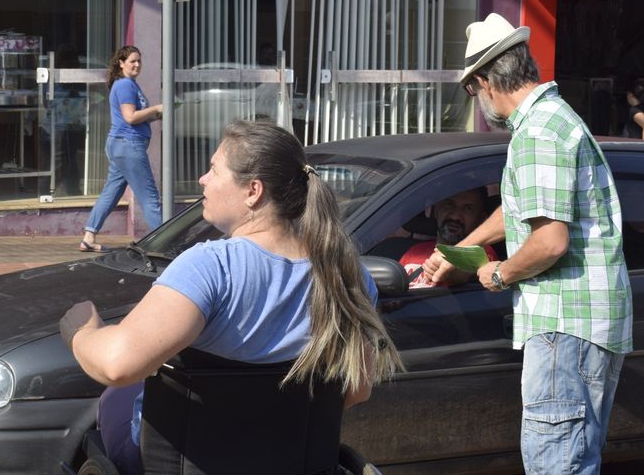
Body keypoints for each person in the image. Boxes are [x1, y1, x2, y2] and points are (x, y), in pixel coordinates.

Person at [60, 120, 401, 471]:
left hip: (184, 464)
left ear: (253, 191)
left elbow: (117, 365)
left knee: (119, 394)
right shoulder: (350, 276)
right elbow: (357, 391)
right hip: (290, 463)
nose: (202, 179)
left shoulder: (211, 267)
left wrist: (82, 330)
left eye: (213, 169)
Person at [427, 13, 632, 475]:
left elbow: (550, 241)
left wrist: (499, 274)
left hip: (564, 325)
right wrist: (455, 250)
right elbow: (527, 207)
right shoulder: (554, 119)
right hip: (584, 322)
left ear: (484, 82)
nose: (477, 99)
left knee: (556, 463)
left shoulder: (536, 133)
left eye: (472, 89)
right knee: (575, 458)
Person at [80, 45, 164, 253]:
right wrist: (156, 108)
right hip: (129, 146)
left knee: (111, 192)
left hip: (122, 144)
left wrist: (154, 116)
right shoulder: (126, 85)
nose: (137, 65)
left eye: (139, 61)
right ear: (121, 63)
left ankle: (89, 237)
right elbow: (130, 117)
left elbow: (133, 117)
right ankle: (166, 243)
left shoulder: (127, 84)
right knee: (150, 197)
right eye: (132, 61)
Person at [399, 188, 499, 288]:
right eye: (449, 204)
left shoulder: (483, 253)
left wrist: (449, 265)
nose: (455, 216)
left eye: (468, 208)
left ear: (481, 219)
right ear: (436, 210)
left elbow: (470, 270)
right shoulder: (415, 251)